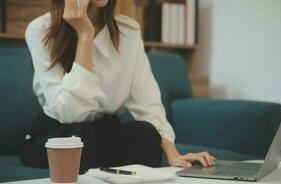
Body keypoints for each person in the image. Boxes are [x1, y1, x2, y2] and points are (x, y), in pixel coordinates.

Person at [21, 0, 216, 172]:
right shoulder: (40, 30)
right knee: (82, 137)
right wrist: (85, 35)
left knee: (145, 134)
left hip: (102, 133)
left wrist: (174, 155)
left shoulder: (128, 32)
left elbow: (148, 106)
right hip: (56, 136)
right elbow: (71, 113)